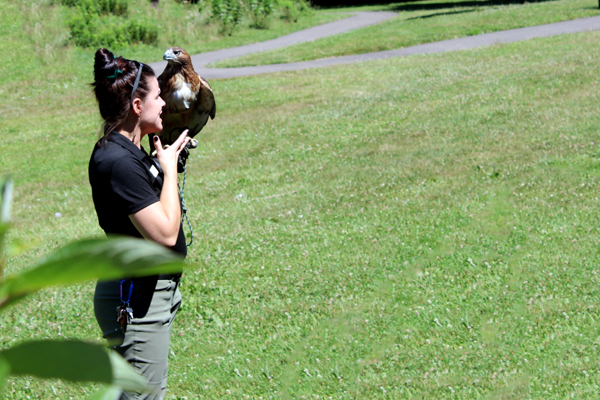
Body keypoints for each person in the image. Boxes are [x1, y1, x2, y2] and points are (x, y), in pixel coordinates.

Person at [88, 47, 190, 400]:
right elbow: (164, 233)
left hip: (147, 292)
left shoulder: (129, 150)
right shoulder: (118, 161)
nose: (163, 104)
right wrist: (170, 172)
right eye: (158, 97)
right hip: (137, 301)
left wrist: (166, 163)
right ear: (136, 107)